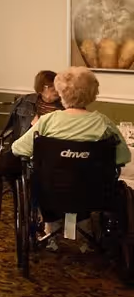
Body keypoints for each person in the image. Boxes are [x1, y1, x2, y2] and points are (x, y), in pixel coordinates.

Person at [12, 67, 131, 249]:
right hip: (93, 194)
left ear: (62, 93)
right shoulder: (103, 123)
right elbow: (123, 156)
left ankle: (51, 228)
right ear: (93, 94)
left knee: (41, 180)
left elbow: (18, 149)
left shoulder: (48, 121)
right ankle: (86, 230)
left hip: (49, 192)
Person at [0, 70, 63, 181]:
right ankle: (18, 190)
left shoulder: (65, 104)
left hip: (52, 146)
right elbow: (9, 125)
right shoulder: (25, 101)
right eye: (53, 87)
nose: (57, 90)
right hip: (25, 143)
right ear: (43, 88)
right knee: (4, 165)